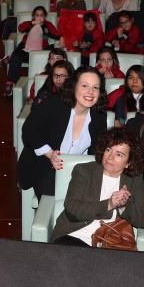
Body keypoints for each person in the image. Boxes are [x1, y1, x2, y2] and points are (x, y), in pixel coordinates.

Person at [48, 128, 144, 246]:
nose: (110, 157)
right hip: (74, 235)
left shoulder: (134, 179)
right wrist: (109, 204)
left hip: (111, 241)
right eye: (108, 150)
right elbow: (72, 209)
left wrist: (124, 206)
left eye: (119, 154)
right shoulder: (84, 171)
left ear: (129, 163)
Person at [19, 67, 107, 198]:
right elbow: (29, 130)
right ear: (74, 87)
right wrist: (49, 154)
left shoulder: (99, 117)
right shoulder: (54, 104)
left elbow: (97, 151)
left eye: (95, 87)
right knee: (57, 198)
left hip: (78, 172)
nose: (90, 92)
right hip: (45, 166)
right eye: (84, 85)